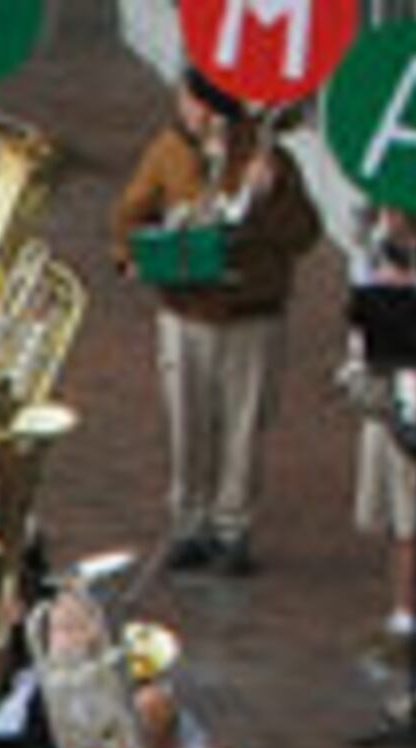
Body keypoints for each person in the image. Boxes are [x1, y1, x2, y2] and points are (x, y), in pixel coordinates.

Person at [110, 69, 321, 577]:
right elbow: (128, 216)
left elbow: (304, 233)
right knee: (187, 421)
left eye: (207, 106)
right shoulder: (167, 151)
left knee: (243, 427)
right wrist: (136, 256)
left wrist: (271, 195)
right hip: (186, 313)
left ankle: (232, 529)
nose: (198, 115)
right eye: (191, 102)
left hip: (251, 314)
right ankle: (189, 523)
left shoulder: (269, 157)